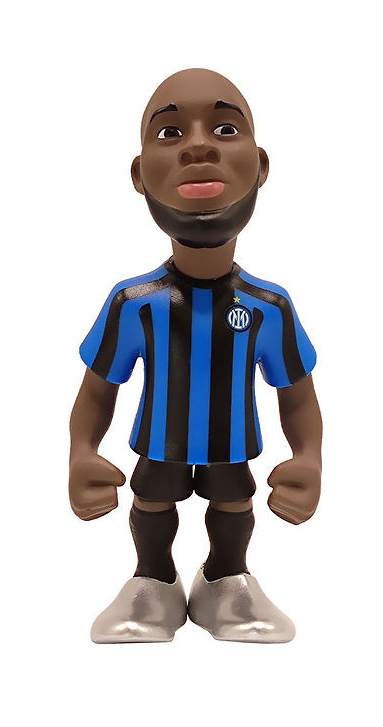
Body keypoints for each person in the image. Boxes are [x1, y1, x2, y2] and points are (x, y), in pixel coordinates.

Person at [69, 68, 323, 643]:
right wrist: (81, 453)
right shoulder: (134, 304)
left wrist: (309, 457)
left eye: (226, 128)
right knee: (152, 498)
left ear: (260, 165)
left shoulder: (269, 307)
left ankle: (225, 579)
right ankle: (153, 581)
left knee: (234, 501)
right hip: (161, 441)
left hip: (231, 443)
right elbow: (97, 389)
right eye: (170, 133)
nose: (199, 147)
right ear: (140, 175)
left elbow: (297, 393)